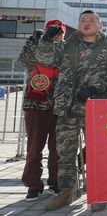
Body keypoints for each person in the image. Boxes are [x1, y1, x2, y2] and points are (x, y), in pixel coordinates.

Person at [37, 10, 107, 211]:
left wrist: (96, 88)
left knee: (99, 152)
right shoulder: (67, 45)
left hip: (94, 107)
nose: (87, 23)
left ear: (100, 24)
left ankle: (98, 192)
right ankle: (66, 192)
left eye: (91, 20)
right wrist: (47, 39)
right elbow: (45, 58)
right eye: (83, 20)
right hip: (68, 107)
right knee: (65, 151)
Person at [18, 20, 64, 201]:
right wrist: (33, 40)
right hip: (36, 104)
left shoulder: (65, 49)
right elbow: (24, 61)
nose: (56, 35)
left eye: (59, 32)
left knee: (58, 148)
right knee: (34, 148)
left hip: (60, 105)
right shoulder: (35, 45)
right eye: (52, 31)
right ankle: (33, 184)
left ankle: (55, 181)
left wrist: (50, 42)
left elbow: (57, 61)